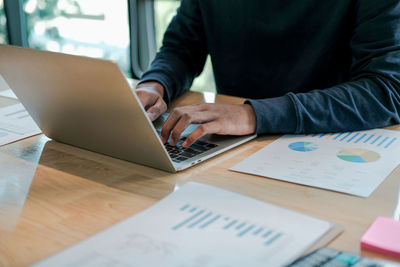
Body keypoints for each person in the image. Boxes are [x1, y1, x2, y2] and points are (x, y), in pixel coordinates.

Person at [136, 0, 400, 148]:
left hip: (326, 143)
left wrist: (254, 114)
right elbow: (181, 47)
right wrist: (155, 84)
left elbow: (387, 88)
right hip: (230, 143)